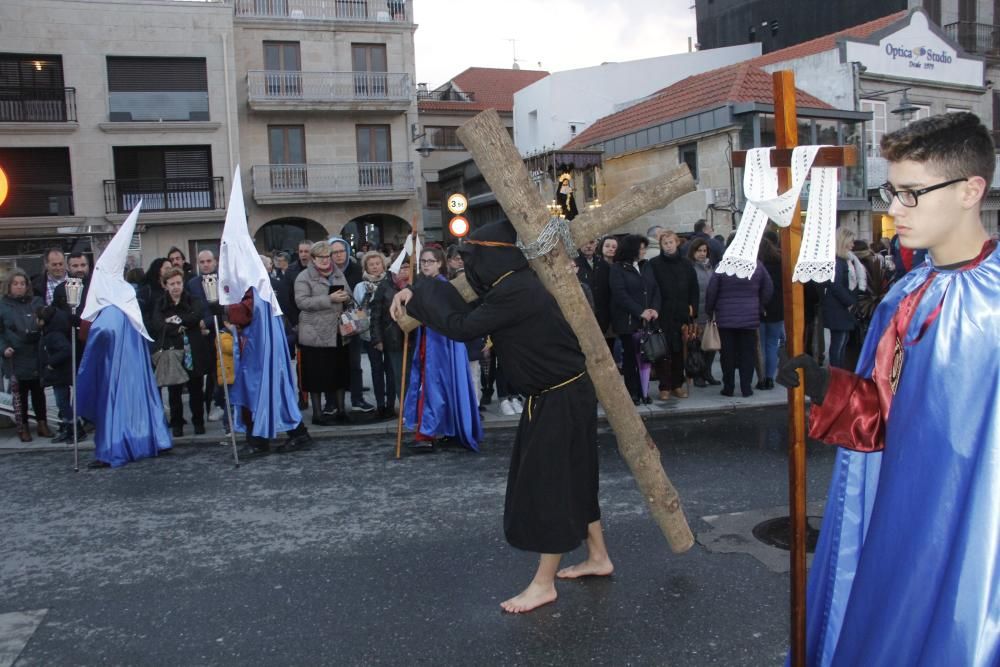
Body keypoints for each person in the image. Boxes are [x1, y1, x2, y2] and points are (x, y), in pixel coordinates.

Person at [778, 111, 1000, 665]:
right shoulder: (907, 292)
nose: (892, 209)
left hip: (980, 540)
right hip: (903, 520)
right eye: (892, 191)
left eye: (911, 194)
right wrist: (826, 384)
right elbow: (882, 414)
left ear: (972, 190)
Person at [390, 220, 612, 614]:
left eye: (474, 258)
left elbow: (460, 325)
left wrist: (421, 292)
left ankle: (543, 584)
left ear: (492, 258)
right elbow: (465, 305)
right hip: (562, 393)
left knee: (550, 484)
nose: (469, 267)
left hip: (558, 397)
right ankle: (598, 556)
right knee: (576, 473)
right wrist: (416, 288)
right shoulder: (514, 284)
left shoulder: (515, 292)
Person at [78, 205, 172, 468]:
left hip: (116, 370)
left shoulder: (111, 302)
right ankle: (150, 438)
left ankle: (114, 447)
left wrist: (84, 323)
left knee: (116, 406)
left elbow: (98, 334)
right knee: (139, 400)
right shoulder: (124, 296)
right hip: (130, 367)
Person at [402, 247, 481, 452]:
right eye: (423, 261)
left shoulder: (442, 286)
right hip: (430, 340)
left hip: (442, 343)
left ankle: (427, 434)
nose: (426, 264)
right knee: (436, 385)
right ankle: (446, 430)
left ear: (439, 263)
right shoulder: (423, 285)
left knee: (434, 386)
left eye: (430, 261)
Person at [294, 240, 352, 425]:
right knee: (316, 375)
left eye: (328, 256)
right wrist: (329, 299)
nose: (326, 260)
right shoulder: (304, 277)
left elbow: (349, 294)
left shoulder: (337, 274)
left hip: (337, 332)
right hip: (314, 333)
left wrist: (346, 297)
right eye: (322, 257)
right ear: (313, 258)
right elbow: (302, 302)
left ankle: (342, 410)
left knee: (339, 372)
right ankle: (318, 414)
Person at [149, 267, 211, 437]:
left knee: (196, 388)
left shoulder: (193, 300)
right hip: (171, 351)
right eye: (172, 284)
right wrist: (178, 325)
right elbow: (157, 324)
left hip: (192, 350)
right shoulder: (160, 304)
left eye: (178, 283)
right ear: (165, 285)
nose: (176, 287)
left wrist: (176, 321)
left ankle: (198, 421)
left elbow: (195, 317)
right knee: (174, 390)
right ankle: (177, 423)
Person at [705, 250, 772, 397]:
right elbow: (768, 287)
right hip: (749, 317)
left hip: (725, 318)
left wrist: (710, 310)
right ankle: (746, 387)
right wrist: (759, 305)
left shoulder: (723, 265)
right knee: (747, 354)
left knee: (727, 355)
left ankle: (728, 387)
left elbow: (711, 290)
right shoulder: (757, 265)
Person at [645, 230, 698, 400]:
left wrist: (692, 309)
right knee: (663, 351)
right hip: (662, 313)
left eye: (671, 242)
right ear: (661, 245)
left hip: (681, 312)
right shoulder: (654, 264)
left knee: (678, 351)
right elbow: (651, 289)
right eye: (665, 243)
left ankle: (677, 384)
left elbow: (694, 288)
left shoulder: (686, 264)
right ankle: (664, 386)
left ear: (677, 243)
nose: (668, 246)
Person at [0, 270, 50, 442]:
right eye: (16, 284)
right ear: (9, 286)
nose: (19, 287)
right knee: (19, 394)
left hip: (34, 352)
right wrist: (4, 348)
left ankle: (42, 423)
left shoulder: (36, 302)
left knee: (38, 391)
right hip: (15, 354)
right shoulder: (3, 305)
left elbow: (45, 322)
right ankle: (23, 426)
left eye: (22, 283)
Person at [609, 234, 659, 405]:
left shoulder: (646, 266)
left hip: (647, 320)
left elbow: (655, 289)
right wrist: (640, 311)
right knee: (631, 358)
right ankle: (633, 392)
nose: (644, 251)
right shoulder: (617, 268)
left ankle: (644, 391)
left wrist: (654, 309)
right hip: (628, 321)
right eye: (641, 248)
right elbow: (620, 294)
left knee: (646, 357)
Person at [330, 236, 374, 414]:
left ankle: (357, 399)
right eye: (334, 252)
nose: (339, 255)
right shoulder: (326, 272)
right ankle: (331, 403)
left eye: (341, 251)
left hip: (353, 323)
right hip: (331, 325)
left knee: (355, 364)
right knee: (332, 365)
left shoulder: (357, 270)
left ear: (347, 252)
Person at [354, 251, 394, 419]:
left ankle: (391, 405)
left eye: (378, 263)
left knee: (391, 370)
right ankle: (380, 404)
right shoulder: (361, 286)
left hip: (390, 332)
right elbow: (358, 310)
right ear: (366, 267)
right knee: (376, 369)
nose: (375, 267)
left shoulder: (391, 282)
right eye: (371, 264)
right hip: (370, 334)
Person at [369, 252, 410, 415]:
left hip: (414, 336)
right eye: (401, 267)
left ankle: (413, 407)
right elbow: (376, 315)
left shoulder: (416, 285)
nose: (404, 271)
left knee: (412, 375)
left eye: (407, 267)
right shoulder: (385, 286)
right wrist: (377, 338)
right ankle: (404, 408)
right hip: (393, 338)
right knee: (398, 375)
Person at [821, 227, 858, 370]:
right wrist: (849, 302)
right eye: (851, 241)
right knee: (839, 343)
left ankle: (838, 373)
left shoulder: (842, 260)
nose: (853, 245)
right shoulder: (838, 262)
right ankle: (836, 374)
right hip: (838, 308)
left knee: (842, 342)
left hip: (839, 308)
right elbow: (835, 285)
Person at [687, 238, 720, 386]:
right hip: (697, 312)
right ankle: (698, 374)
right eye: (699, 250)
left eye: (704, 251)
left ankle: (707, 372)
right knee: (698, 345)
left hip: (711, 312)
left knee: (710, 345)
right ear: (693, 252)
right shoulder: (690, 268)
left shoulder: (711, 267)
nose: (702, 253)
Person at [38, 305, 73, 443]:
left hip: (60, 375)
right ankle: (67, 426)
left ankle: (73, 427)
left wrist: (51, 363)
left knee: (62, 402)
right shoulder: (49, 333)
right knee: (61, 402)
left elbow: (66, 350)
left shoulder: (54, 335)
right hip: (58, 375)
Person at [756, 233, 784, 390]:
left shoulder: (757, 265)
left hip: (759, 308)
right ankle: (769, 377)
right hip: (777, 309)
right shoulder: (781, 263)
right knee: (772, 344)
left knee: (760, 345)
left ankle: (761, 378)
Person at [589, 236, 619, 356]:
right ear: (601, 247)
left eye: (614, 247)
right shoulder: (596, 264)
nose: (610, 249)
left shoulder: (619, 265)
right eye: (607, 246)